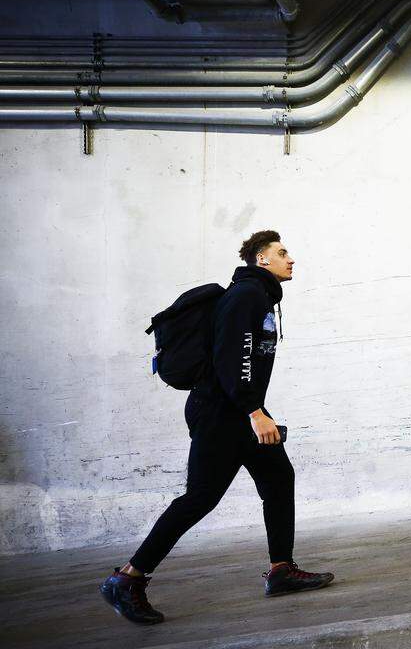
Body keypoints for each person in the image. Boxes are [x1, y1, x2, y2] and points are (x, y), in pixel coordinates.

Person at [100, 230, 333, 625]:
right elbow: (234, 358)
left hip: (236, 409)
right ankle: (128, 578)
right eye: (282, 252)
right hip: (222, 412)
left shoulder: (259, 296)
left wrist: (253, 410)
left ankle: (281, 570)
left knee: (278, 478)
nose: (290, 258)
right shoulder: (246, 297)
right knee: (200, 497)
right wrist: (255, 411)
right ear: (262, 260)